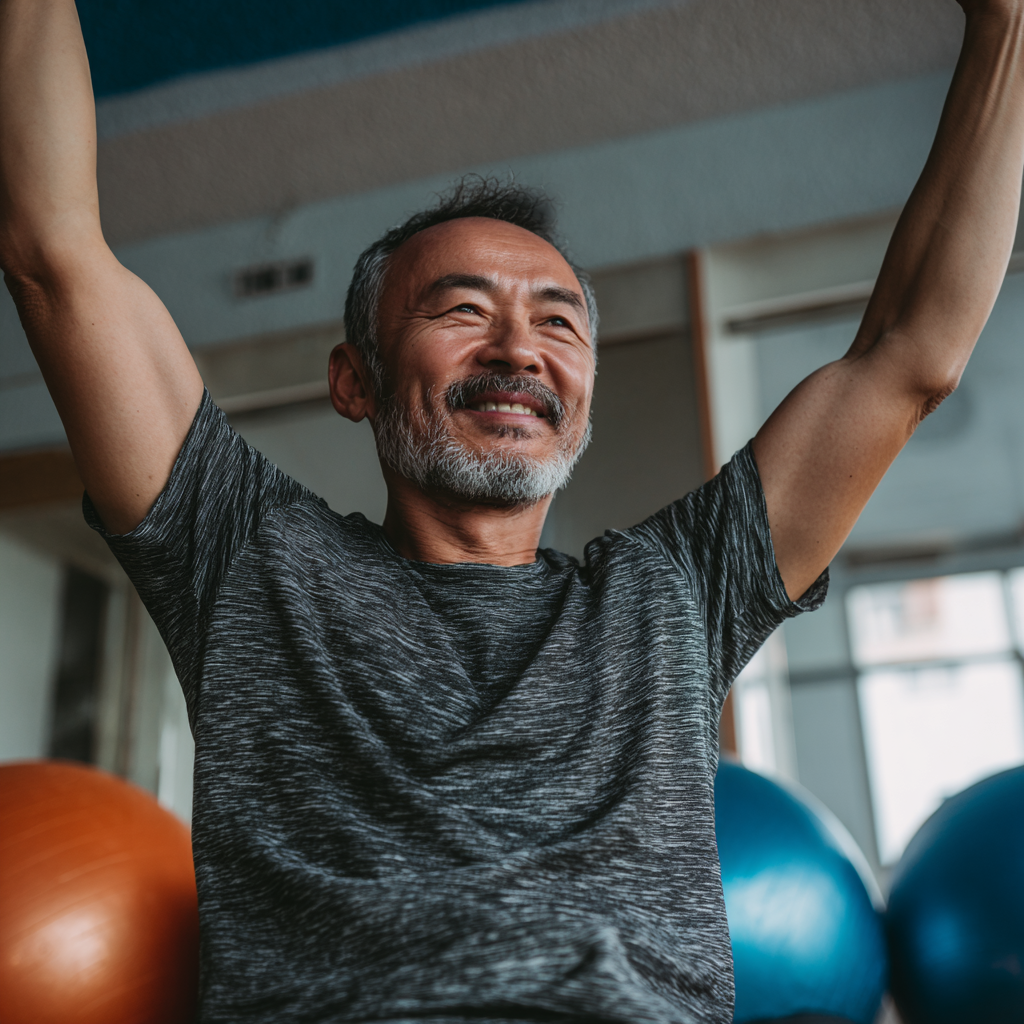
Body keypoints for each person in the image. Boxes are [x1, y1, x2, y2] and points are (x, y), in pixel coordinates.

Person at [1, 0, 1021, 1020]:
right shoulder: (248, 560)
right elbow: (54, 251)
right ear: (354, 380)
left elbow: (906, 355)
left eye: (557, 321)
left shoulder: (672, 591)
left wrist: (1004, 26)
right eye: (460, 310)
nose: (518, 349)